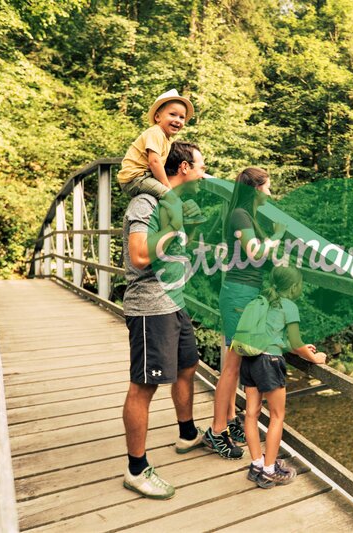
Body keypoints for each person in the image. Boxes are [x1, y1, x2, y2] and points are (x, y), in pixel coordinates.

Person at [120, 141, 207, 499]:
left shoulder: (176, 202)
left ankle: (187, 433)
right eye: (201, 165)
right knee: (144, 385)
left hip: (174, 302)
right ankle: (136, 469)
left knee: (188, 366)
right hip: (150, 308)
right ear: (184, 167)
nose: (204, 172)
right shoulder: (147, 202)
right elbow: (140, 255)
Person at [203, 168, 286, 459]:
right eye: (267, 188)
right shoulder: (240, 214)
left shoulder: (246, 215)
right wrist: (277, 236)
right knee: (233, 367)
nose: (270, 193)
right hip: (239, 296)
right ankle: (216, 431)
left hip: (244, 295)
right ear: (255, 189)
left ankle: (226, 422)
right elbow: (254, 252)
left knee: (235, 364)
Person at [241, 266, 327, 488]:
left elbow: (277, 337)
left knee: (251, 414)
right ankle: (270, 471)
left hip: (249, 359)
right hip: (269, 362)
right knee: (277, 416)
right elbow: (296, 343)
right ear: (295, 286)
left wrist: (294, 347)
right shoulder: (289, 306)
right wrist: (314, 358)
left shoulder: (263, 299)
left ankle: (257, 464)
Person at [116, 89, 194, 231]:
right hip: (135, 178)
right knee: (169, 195)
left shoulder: (166, 139)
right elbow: (154, 162)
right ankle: (177, 229)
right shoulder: (155, 132)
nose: (177, 120)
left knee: (167, 197)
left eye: (182, 117)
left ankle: (165, 226)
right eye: (172, 114)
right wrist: (166, 185)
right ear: (158, 117)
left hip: (142, 177)